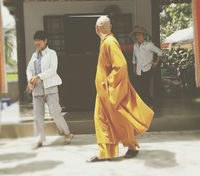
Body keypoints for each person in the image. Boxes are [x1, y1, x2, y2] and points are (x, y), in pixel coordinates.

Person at [88, 16, 154, 162]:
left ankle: (131, 146)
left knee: (119, 120)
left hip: (109, 91)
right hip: (103, 93)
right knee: (102, 120)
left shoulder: (110, 42)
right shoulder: (105, 41)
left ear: (97, 29)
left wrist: (109, 83)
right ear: (109, 27)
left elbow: (121, 65)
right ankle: (105, 153)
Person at [26, 31, 73, 149]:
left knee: (55, 113)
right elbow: (29, 69)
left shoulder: (52, 53)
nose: (37, 42)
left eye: (39, 40)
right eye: (35, 40)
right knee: (38, 115)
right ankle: (40, 139)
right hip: (37, 90)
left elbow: (53, 70)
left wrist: (38, 77)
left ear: (45, 41)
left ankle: (67, 133)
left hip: (50, 88)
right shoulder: (34, 55)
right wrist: (30, 80)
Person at [131, 26, 163, 107]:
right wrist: (134, 67)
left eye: (140, 35)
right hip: (138, 70)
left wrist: (156, 63)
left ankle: (149, 103)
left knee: (145, 88)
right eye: (137, 35)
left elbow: (160, 52)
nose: (138, 36)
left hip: (148, 69)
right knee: (140, 88)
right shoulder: (135, 46)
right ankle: (146, 104)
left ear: (144, 36)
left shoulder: (149, 45)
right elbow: (134, 57)